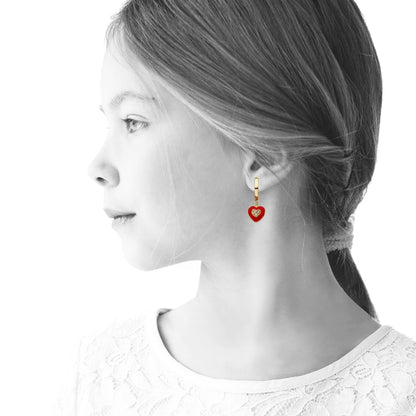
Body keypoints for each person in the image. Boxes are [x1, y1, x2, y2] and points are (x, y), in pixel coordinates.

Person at [56, 1, 416, 415]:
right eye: (111, 123)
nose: (98, 167)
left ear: (263, 155)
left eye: (133, 122)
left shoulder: (403, 394)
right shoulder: (97, 378)